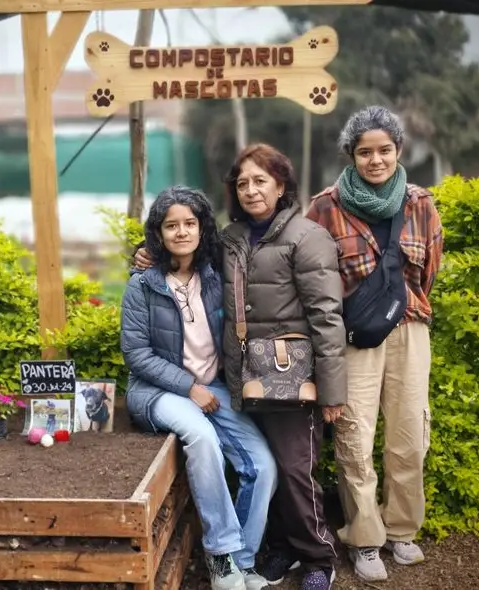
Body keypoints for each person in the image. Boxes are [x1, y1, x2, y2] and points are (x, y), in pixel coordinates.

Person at [133, 145, 347, 590]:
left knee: (284, 467)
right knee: (235, 453)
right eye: (243, 183)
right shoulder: (226, 243)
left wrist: (332, 390)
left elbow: (327, 316)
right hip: (215, 383)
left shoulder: (298, 239)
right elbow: (141, 344)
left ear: (281, 186)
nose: (251, 190)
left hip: (282, 376)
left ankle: (294, 561)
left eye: (260, 181)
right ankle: (247, 555)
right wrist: (146, 254)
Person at [305, 105, 443, 583]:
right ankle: (365, 539)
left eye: (385, 150)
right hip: (354, 335)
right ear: (351, 155)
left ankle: (402, 530)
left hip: (410, 328)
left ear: (399, 151)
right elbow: (309, 270)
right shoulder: (325, 205)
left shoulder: (421, 203)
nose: (376, 160)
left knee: (408, 435)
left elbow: (428, 271)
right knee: (354, 435)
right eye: (366, 152)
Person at [122, 185, 277, 590]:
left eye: (189, 223)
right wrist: (190, 388)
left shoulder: (215, 275)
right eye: (170, 225)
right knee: (202, 438)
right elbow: (136, 355)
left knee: (262, 465)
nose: (181, 232)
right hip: (158, 392)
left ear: (202, 227)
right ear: (157, 233)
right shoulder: (143, 285)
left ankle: (243, 560)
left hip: (214, 388)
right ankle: (221, 557)